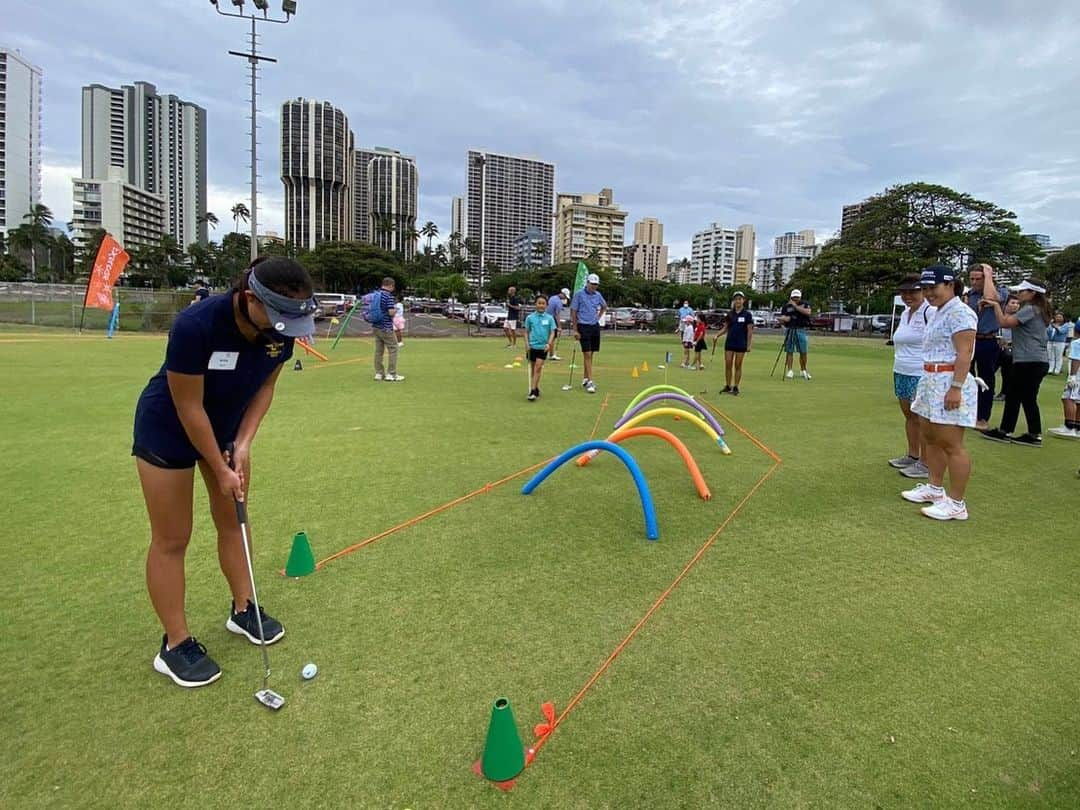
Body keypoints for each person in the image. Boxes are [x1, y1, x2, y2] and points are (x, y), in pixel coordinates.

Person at [134, 257, 316, 687]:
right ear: (250, 298)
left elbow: (265, 388)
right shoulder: (196, 325)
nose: (283, 329)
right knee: (172, 537)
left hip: (229, 432)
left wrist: (244, 444)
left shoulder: (280, 335)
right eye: (278, 317)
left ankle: (243, 607)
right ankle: (175, 644)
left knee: (234, 522)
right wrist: (218, 465)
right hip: (169, 430)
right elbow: (188, 406)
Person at [901, 264, 977, 521]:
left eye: (933, 287)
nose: (929, 293)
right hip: (930, 378)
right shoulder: (935, 312)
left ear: (950, 285)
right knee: (930, 436)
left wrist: (956, 387)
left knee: (951, 444)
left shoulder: (961, 313)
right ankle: (934, 487)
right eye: (925, 288)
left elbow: (965, 352)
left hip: (949, 380)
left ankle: (956, 503)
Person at [980, 278, 1052, 447]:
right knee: (1026, 397)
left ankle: (1007, 431)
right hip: (1034, 360)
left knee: (1016, 396)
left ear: (1032, 293)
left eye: (1022, 291)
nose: (1019, 294)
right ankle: (1031, 434)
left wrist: (996, 306)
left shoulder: (1031, 309)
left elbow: (1005, 323)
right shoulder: (1037, 309)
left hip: (1029, 361)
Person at [888, 275, 935, 478]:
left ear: (923, 291)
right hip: (902, 370)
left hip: (921, 372)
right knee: (909, 416)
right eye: (904, 292)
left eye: (913, 291)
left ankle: (926, 463)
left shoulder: (930, 311)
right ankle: (913, 455)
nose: (908, 296)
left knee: (922, 418)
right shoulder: (906, 313)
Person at [964, 262, 1009, 429]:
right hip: (970, 339)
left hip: (988, 340)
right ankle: (967, 412)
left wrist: (989, 275)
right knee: (966, 377)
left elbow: (991, 298)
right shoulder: (969, 295)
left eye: (978, 279)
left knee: (985, 379)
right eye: (972, 279)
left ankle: (982, 417)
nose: (974, 282)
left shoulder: (1001, 291)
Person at [570, 273, 607, 394]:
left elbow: (604, 306)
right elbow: (574, 312)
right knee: (587, 354)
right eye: (592, 284)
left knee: (591, 354)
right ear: (587, 283)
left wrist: (598, 316)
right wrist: (575, 329)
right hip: (583, 326)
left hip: (594, 326)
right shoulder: (579, 295)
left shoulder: (598, 295)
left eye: (596, 285)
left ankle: (585, 378)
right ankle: (590, 381)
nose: (594, 287)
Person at [712, 291, 754, 395]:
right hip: (730, 342)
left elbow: (750, 331)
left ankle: (736, 387)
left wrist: (749, 345)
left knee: (738, 365)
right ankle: (727, 385)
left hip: (741, 343)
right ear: (734, 301)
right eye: (736, 299)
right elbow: (725, 328)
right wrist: (717, 335)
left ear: (743, 300)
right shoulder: (730, 314)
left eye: (740, 299)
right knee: (728, 364)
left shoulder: (747, 314)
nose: (738, 301)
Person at [524, 295, 558, 401]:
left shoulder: (549, 318)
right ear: (535, 304)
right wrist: (527, 344)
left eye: (543, 303)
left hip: (543, 347)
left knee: (538, 368)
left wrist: (549, 343)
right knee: (533, 369)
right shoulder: (530, 318)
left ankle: (533, 391)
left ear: (546, 305)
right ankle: (536, 387)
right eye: (539, 303)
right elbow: (526, 332)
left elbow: (552, 332)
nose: (541, 305)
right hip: (532, 346)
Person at [1048, 333, 1080, 439]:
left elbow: (1076, 359)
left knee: (1068, 398)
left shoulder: (1076, 343)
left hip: (1077, 375)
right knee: (1078, 400)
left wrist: (1073, 376)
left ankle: (1069, 427)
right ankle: (1077, 427)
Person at [372, 277, 403, 382]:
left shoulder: (375, 295)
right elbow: (390, 312)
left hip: (376, 326)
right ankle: (391, 373)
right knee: (393, 348)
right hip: (386, 327)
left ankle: (379, 373)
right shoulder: (388, 296)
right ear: (391, 286)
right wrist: (395, 310)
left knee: (378, 350)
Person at [779, 289, 812, 379]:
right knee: (789, 350)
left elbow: (808, 312)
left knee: (803, 351)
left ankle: (803, 370)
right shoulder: (786, 306)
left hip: (801, 329)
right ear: (791, 297)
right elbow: (783, 316)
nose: (795, 299)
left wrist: (796, 306)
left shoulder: (804, 304)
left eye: (797, 297)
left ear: (800, 297)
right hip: (790, 329)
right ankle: (790, 370)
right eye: (794, 297)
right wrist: (783, 319)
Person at [995, 296, 1020, 401]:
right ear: (1005, 305)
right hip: (996, 347)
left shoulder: (1019, 319)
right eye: (1012, 303)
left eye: (1017, 303)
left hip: (1010, 349)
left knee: (1007, 373)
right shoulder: (998, 317)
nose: (1015, 305)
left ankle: (1005, 393)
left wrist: (1009, 343)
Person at [546, 288, 570, 360]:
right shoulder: (559, 302)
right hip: (552, 320)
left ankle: (547, 354)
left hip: (546, 318)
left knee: (547, 337)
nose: (565, 298)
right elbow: (557, 315)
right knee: (552, 338)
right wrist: (559, 326)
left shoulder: (552, 297)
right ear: (563, 294)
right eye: (565, 296)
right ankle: (551, 355)